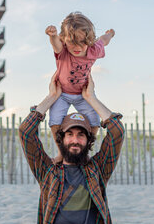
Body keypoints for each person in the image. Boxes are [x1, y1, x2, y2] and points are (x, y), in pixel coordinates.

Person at [13, 73, 124, 224]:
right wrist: (52, 97)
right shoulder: (47, 171)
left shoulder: (98, 170)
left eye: (81, 135)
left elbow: (116, 133)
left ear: (88, 141)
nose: (75, 140)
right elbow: (25, 132)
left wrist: (91, 98)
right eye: (70, 134)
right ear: (61, 139)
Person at [45, 11, 115, 160]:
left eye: (82, 42)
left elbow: (103, 40)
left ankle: (86, 152)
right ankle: (61, 153)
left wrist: (110, 34)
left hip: (83, 94)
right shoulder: (63, 51)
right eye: (72, 42)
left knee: (95, 121)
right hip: (61, 93)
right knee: (55, 121)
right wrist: (52, 36)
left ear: (89, 40)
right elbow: (56, 45)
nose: (77, 47)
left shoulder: (93, 50)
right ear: (64, 40)